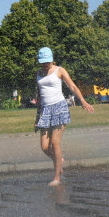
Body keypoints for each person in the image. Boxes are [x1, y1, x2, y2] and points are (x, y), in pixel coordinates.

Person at [34, 47, 94, 186]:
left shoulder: (60, 70)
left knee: (55, 143)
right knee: (44, 146)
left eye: (47, 61)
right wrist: (37, 117)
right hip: (45, 110)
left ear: (52, 59)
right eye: (43, 62)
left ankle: (57, 177)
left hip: (59, 107)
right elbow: (39, 96)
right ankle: (59, 160)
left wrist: (83, 101)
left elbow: (72, 87)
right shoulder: (38, 73)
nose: (45, 64)